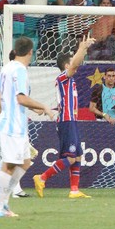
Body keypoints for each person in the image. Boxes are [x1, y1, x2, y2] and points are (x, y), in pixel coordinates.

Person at [0, 37, 53, 217]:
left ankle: (3, 204)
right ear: (31, 52)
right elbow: (21, 98)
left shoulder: (7, 67)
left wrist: (3, 105)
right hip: (12, 126)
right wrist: (44, 107)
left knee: (25, 162)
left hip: (15, 123)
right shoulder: (20, 70)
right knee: (9, 165)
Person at [33, 35, 96, 200]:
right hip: (67, 121)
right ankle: (42, 178)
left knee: (77, 156)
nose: (76, 64)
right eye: (72, 62)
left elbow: (62, 102)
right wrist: (83, 48)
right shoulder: (63, 77)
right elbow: (76, 64)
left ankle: (74, 190)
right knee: (70, 157)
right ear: (66, 65)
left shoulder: (68, 81)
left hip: (70, 121)